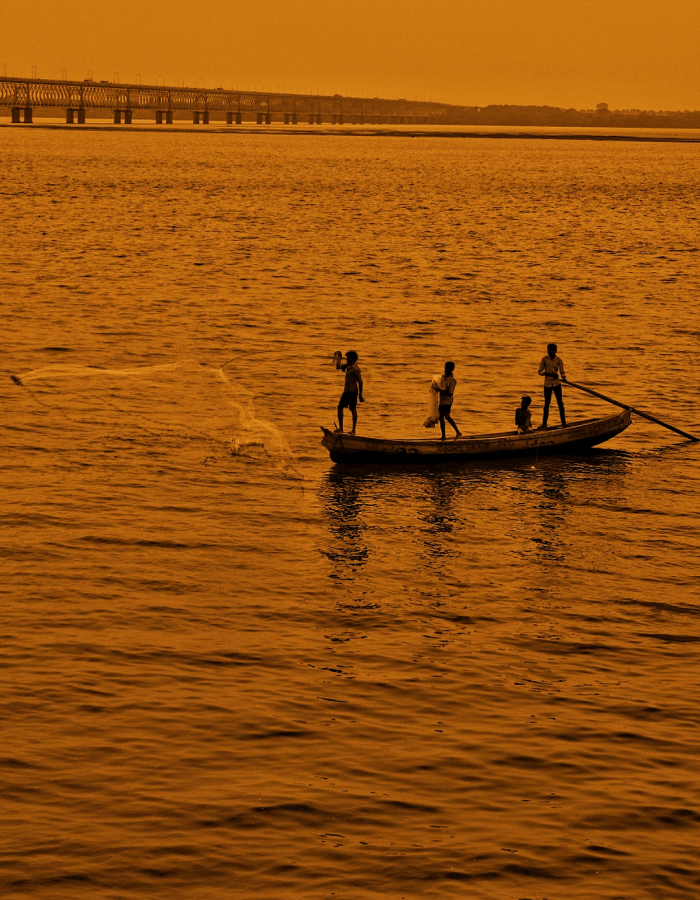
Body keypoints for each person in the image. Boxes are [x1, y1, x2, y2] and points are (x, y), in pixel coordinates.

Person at [537, 342, 567, 428]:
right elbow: (540, 371)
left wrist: (564, 378)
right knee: (547, 404)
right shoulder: (544, 360)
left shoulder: (559, 360)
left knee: (560, 403)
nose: (548, 352)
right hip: (547, 384)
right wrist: (548, 374)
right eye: (548, 350)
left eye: (550, 350)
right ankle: (544, 424)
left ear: (555, 351)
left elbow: (562, 371)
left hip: (557, 384)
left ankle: (564, 423)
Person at [336, 350, 364, 434]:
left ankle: (353, 430)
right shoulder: (347, 366)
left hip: (352, 392)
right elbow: (338, 367)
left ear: (351, 358)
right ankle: (341, 428)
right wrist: (338, 359)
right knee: (340, 407)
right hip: (346, 391)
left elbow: (360, 382)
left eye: (348, 357)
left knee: (353, 409)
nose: (347, 359)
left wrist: (360, 395)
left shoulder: (356, 369)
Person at [438, 361, 462, 441]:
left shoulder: (452, 380)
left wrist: (441, 389)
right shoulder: (442, 377)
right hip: (441, 401)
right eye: (445, 368)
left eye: (447, 369)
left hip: (447, 401)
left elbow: (450, 393)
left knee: (447, 417)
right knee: (441, 418)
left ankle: (458, 432)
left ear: (451, 370)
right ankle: (443, 436)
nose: (445, 370)